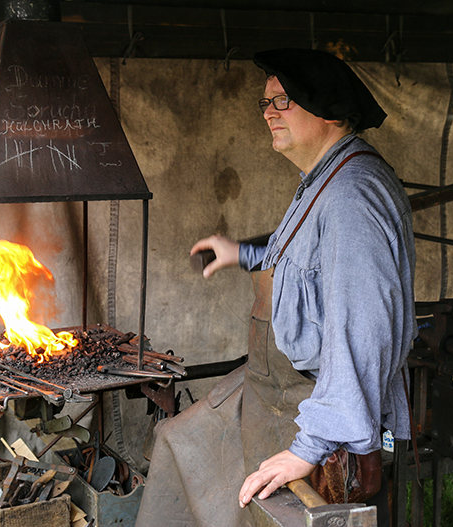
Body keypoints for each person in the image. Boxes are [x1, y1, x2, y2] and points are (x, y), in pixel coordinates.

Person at [135, 48, 416, 527]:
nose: (268, 112)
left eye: (282, 100)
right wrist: (243, 254)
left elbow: (362, 334)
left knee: (256, 507)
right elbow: (308, 261)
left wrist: (307, 450)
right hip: (273, 386)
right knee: (176, 442)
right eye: (265, 102)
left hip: (313, 404)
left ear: (325, 108)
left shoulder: (351, 198)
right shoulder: (323, 179)